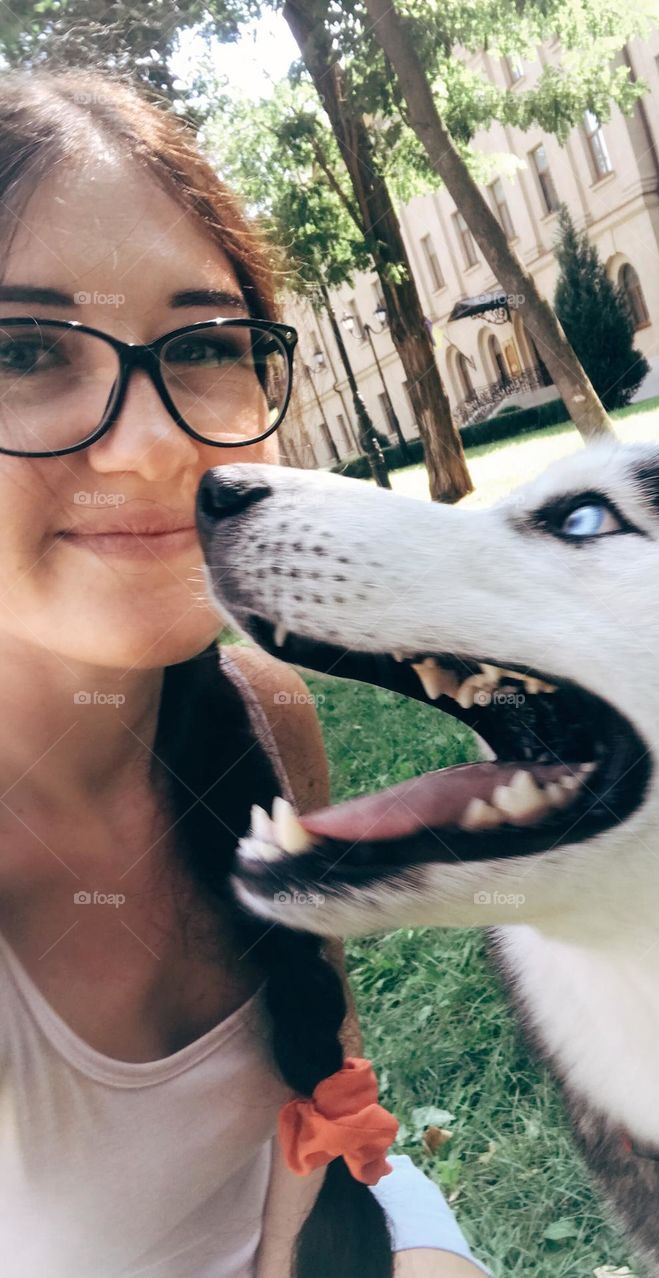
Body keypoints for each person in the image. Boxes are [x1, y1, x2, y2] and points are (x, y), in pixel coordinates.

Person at [0, 68, 491, 1278]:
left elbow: (324, 1109)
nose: (153, 443)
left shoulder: (266, 711)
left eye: (206, 345)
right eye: (24, 350)